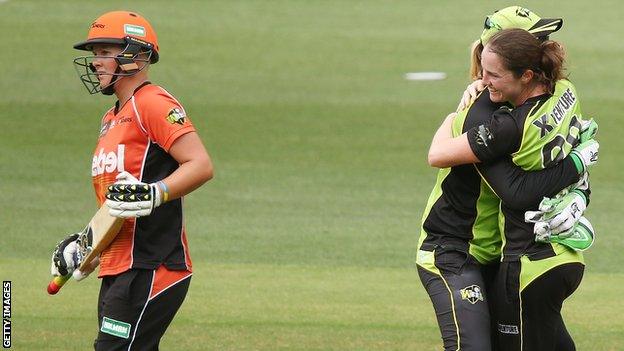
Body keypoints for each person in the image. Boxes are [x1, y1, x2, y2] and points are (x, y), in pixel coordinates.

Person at [416, 6, 597, 351]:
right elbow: (438, 156)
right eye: (537, 38)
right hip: (453, 250)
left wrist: (580, 192)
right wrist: (454, 115)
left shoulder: (545, 94)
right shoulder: (489, 117)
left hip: (494, 252)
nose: (546, 43)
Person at [50, 10, 213, 350]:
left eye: (106, 52)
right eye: (95, 54)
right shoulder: (110, 119)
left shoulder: (151, 103)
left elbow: (200, 164)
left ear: (136, 55)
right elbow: (119, 205)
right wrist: (85, 249)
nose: (96, 62)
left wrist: (157, 192)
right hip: (119, 270)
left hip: (153, 267)